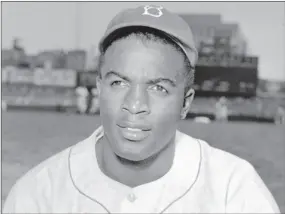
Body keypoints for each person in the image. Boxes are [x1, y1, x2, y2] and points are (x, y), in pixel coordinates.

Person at [3, 5, 280, 213]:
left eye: (158, 88)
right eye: (119, 82)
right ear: (99, 88)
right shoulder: (39, 194)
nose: (135, 105)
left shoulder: (234, 190)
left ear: (185, 103)